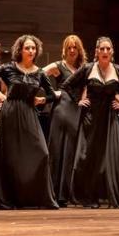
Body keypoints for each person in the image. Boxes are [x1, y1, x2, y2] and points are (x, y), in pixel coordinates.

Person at [62, 36, 119, 209]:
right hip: (90, 118)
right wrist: (79, 99)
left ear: (112, 52)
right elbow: (67, 85)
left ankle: (110, 195)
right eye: (102, 49)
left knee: (109, 157)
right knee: (88, 157)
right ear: (96, 52)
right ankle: (86, 196)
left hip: (109, 118)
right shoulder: (87, 69)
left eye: (108, 49)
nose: (105, 52)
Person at [0, 35, 58, 209]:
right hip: (11, 112)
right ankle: (11, 198)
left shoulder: (40, 73)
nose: (30, 51)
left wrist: (41, 100)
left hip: (29, 113)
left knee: (42, 152)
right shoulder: (8, 68)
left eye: (33, 48)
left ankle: (36, 197)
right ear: (20, 50)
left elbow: (52, 94)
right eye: (27, 48)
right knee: (12, 157)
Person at [43, 34, 88, 207]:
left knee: (70, 151)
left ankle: (66, 194)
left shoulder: (83, 68)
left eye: (75, 47)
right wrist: (51, 93)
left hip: (76, 110)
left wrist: (82, 100)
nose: (72, 50)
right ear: (65, 49)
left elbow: (86, 87)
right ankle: (53, 193)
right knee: (56, 149)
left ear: (79, 49)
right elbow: (40, 73)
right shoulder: (59, 66)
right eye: (69, 47)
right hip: (61, 108)